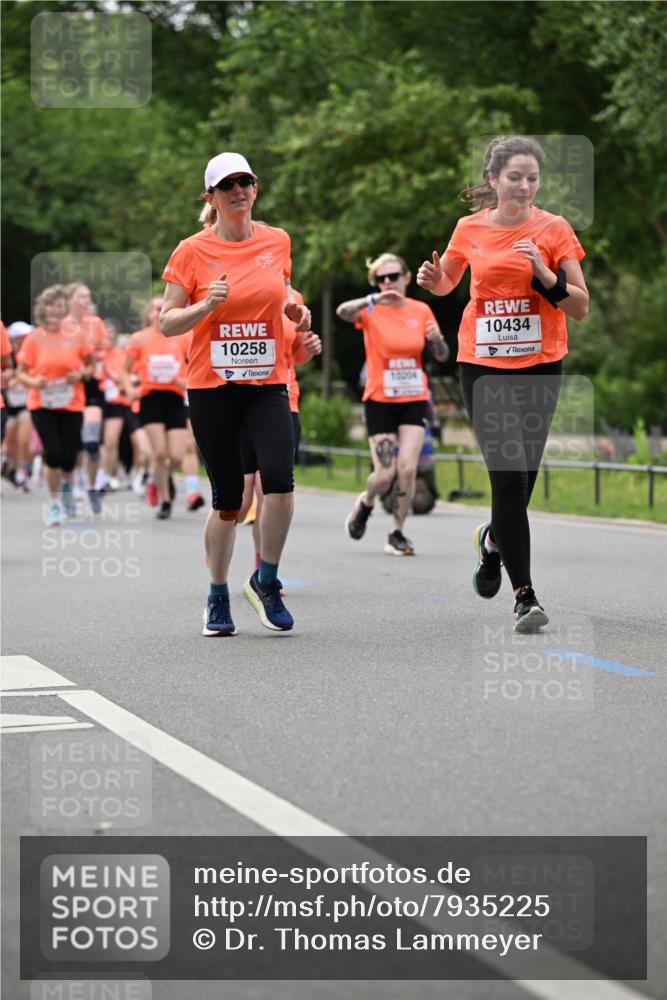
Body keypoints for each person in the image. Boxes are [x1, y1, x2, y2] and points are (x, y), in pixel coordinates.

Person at [417, 135, 588, 631]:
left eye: (532, 178)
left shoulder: (554, 229)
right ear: (493, 180)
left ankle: (493, 542)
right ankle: (525, 595)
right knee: (508, 477)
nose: (524, 186)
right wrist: (434, 281)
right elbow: (449, 280)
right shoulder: (469, 228)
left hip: (539, 365)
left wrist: (544, 274)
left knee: (524, 480)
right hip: (483, 365)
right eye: (514, 177)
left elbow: (579, 304)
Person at [159, 152, 311, 635]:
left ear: (255, 188)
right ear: (212, 198)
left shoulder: (277, 240)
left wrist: (295, 311)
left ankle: (266, 580)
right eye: (227, 186)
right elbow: (166, 322)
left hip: (267, 383)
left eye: (245, 182)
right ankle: (217, 595)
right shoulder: (191, 251)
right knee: (228, 499)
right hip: (212, 388)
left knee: (280, 483)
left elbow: (282, 289)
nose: (238, 191)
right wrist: (206, 304)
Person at [336, 253, 448, 555]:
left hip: (413, 398)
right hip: (379, 399)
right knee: (385, 474)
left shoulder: (421, 309)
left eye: (393, 276)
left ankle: (396, 532)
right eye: (381, 278)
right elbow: (342, 312)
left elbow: (441, 354)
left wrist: (437, 340)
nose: (388, 283)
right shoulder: (370, 309)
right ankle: (366, 501)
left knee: (408, 470)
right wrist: (373, 298)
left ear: (407, 277)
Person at [239, 288, 321, 576]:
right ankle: (218, 538)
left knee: (269, 491)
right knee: (238, 504)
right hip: (240, 401)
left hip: (284, 401)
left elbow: (294, 355)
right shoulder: (240, 289)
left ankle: (263, 569)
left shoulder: (295, 298)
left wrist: (307, 349)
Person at [15, 285, 94, 525]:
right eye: (51, 305)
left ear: (65, 309)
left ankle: (68, 491)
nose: (55, 310)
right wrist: (34, 381)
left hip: (72, 403)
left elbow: (90, 367)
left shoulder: (77, 335)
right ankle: (55, 504)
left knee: (69, 456)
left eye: (60, 305)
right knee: (53, 453)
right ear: (43, 309)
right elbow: (21, 372)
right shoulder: (34, 338)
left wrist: (80, 375)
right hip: (42, 403)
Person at [122, 296, 189, 519]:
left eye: (163, 308)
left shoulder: (182, 337)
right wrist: (129, 389)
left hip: (174, 398)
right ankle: (165, 500)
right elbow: (125, 370)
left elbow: (195, 363)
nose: (159, 313)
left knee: (177, 456)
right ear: (149, 314)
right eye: (156, 309)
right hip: (150, 398)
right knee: (160, 453)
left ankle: (157, 477)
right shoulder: (139, 339)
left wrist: (186, 379)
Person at [63, 283, 109, 512]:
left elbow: (103, 352)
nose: (85, 300)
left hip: (91, 384)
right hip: (68, 385)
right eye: (81, 296)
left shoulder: (96, 324)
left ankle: (91, 486)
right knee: (70, 443)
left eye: (88, 296)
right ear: (70, 299)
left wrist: (87, 356)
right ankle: (70, 488)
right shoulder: (60, 325)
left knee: (91, 441)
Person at [2, 322, 34, 490]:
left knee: (24, 437)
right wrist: (9, 379)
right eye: (23, 337)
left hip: (25, 403)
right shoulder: (7, 355)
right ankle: (8, 466)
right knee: (8, 441)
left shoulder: (30, 354)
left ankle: (22, 474)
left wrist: (22, 379)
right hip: (8, 403)